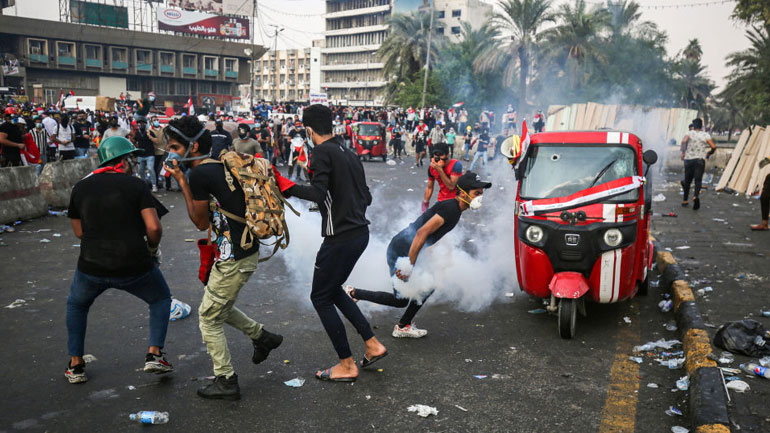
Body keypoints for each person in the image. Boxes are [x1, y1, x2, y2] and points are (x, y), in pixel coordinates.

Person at [164, 116, 286, 400]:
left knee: (208, 318)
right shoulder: (219, 166)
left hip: (235, 256)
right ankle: (262, 337)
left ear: (192, 148)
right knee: (217, 304)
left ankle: (226, 379)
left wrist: (181, 180)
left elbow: (198, 220)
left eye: (173, 146)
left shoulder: (199, 174)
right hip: (243, 252)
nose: (170, 152)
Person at [287, 104, 387, 382]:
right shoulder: (349, 152)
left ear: (308, 129)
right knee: (332, 291)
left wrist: (283, 184)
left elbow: (318, 194)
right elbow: (366, 196)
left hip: (340, 237)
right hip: (358, 234)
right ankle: (372, 344)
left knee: (319, 297)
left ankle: (347, 364)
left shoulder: (321, 152)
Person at [64, 136, 174, 384]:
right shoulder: (136, 186)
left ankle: (76, 365)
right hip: (134, 264)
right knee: (160, 299)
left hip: (91, 266)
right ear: (123, 161)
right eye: (131, 158)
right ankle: (154, 355)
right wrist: (152, 249)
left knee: (77, 305)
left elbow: (79, 232)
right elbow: (154, 228)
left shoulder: (80, 188)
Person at [348, 172, 491, 337]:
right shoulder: (451, 209)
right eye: (477, 193)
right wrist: (408, 265)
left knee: (428, 286)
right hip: (401, 250)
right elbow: (421, 233)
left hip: (409, 248)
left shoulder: (455, 209)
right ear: (463, 192)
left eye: (481, 193)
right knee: (399, 301)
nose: (480, 197)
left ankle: (403, 325)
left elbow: (425, 231)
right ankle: (354, 293)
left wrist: (426, 252)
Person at [680, 118, 715, 210]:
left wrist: (683, 152)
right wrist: (709, 153)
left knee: (687, 180)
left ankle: (685, 200)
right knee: (698, 180)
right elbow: (713, 146)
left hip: (689, 159)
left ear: (693, 125)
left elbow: (684, 141)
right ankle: (695, 196)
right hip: (700, 160)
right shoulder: (705, 135)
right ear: (701, 126)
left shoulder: (689, 133)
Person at [422, 143, 463, 212]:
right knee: (424, 220)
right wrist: (425, 205)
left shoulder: (456, 165)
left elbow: (451, 187)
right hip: (441, 199)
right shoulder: (432, 168)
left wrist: (440, 170)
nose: (438, 158)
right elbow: (429, 188)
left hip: (455, 200)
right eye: (435, 154)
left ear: (447, 155)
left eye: (440, 155)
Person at [133, 119, 158, 192]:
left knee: (150, 169)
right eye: (139, 124)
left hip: (150, 154)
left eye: (142, 123)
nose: (141, 125)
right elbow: (134, 141)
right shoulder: (137, 133)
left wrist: (149, 136)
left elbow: (156, 141)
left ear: (145, 124)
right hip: (141, 155)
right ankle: (144, 185)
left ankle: (154, 185)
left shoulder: (150, 132)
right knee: (140, 171)